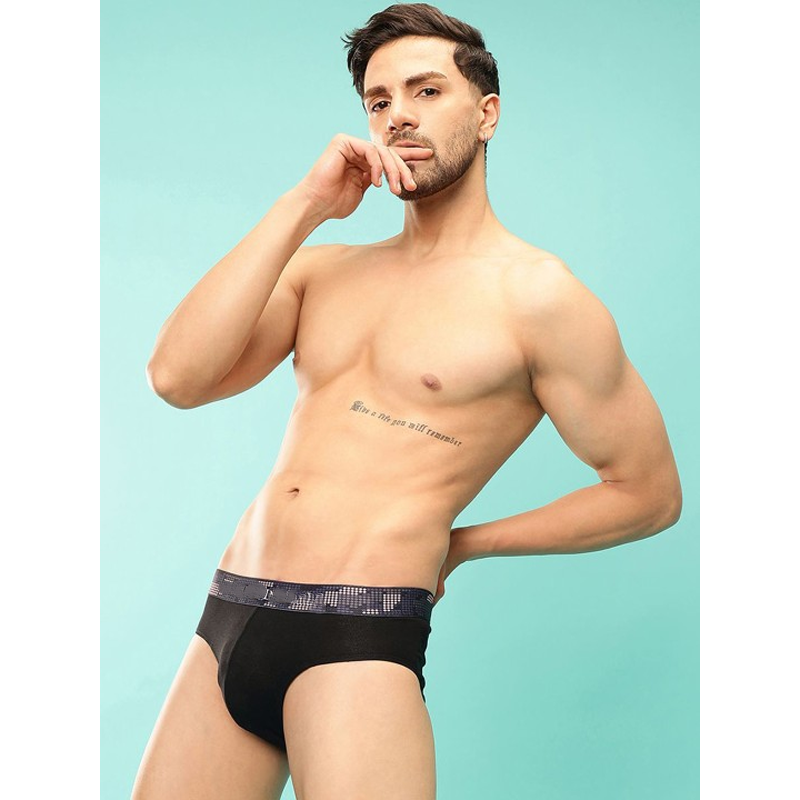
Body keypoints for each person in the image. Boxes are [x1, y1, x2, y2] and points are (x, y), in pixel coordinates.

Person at [131, 3, 682, 798]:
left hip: (355, 636)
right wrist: (304, 205)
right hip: (228, 613)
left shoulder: (539, 297)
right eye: (380, 101)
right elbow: (176, 377)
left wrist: (465, 543)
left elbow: (649, 494)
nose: (398, 117)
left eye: (426, 91)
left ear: (487, 114)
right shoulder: (324, 271)